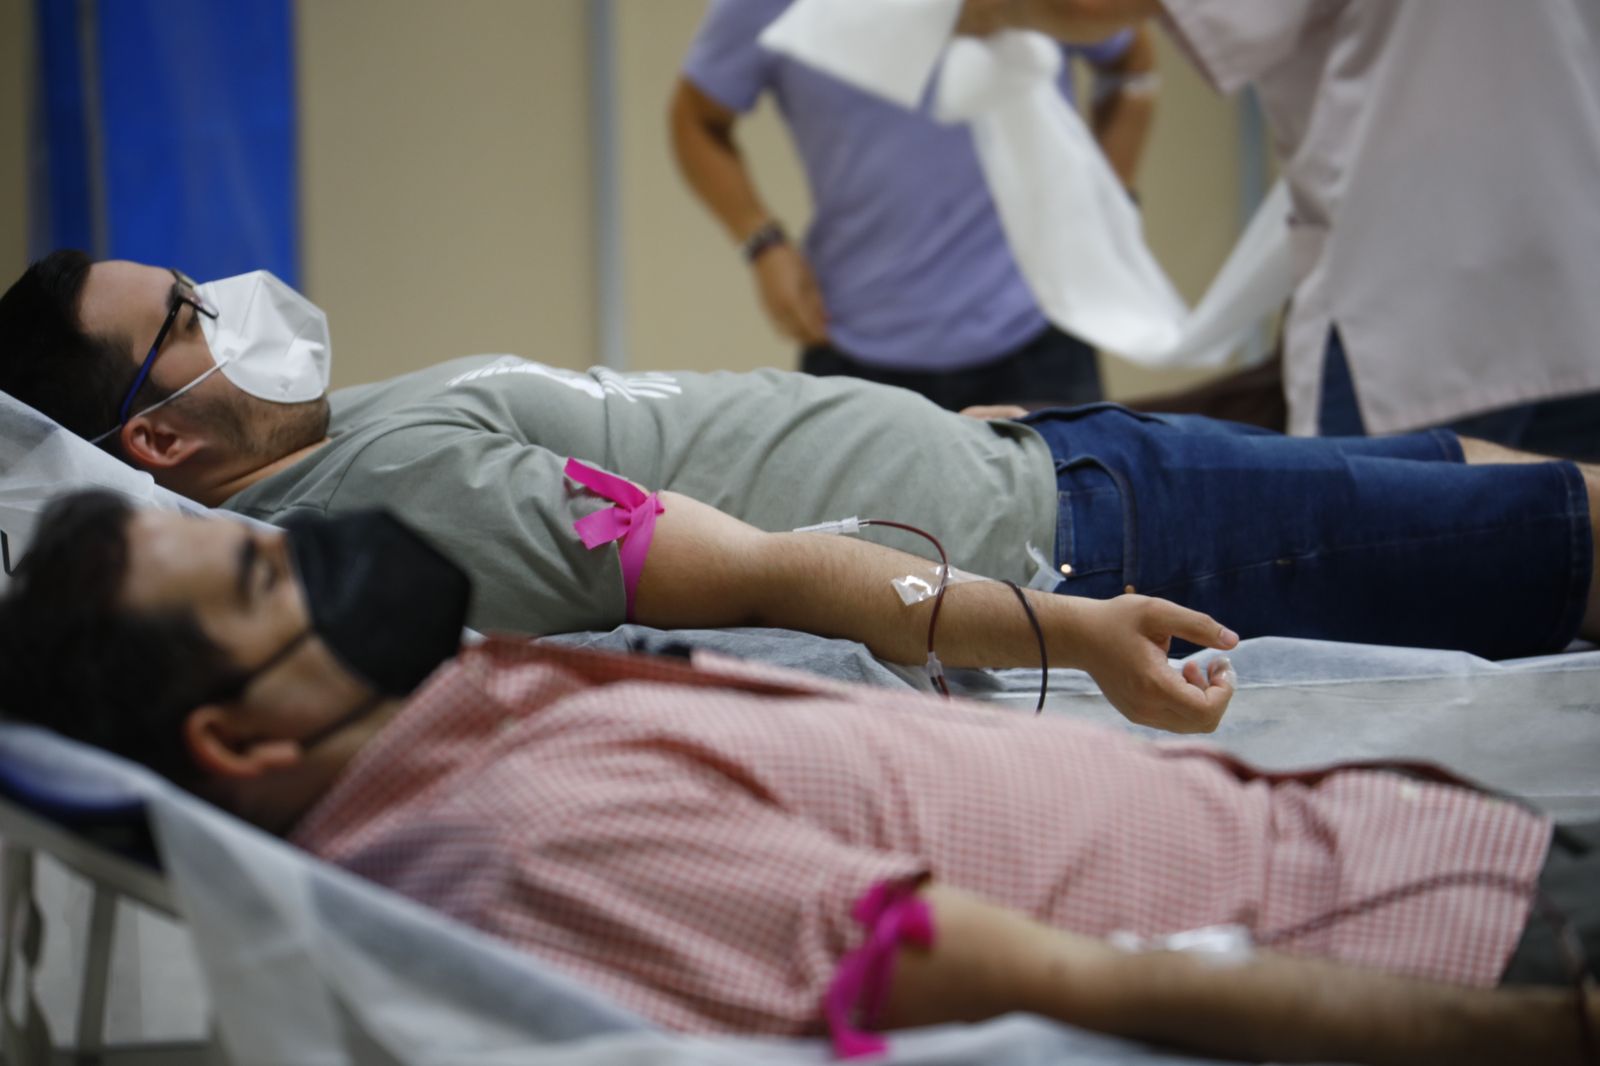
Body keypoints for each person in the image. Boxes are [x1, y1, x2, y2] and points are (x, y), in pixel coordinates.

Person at [0, 490, 1594, 1065]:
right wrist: (1535, 1031)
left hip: (1401, 844)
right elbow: (1056, 983)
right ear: (242, 740)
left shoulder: (464, 708)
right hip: (1443, 943)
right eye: (270, 583)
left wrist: (1057, 630)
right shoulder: (518, 842)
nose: (324, 561)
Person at [1, 253, 1598, 735]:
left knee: (1496, 489)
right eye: (188, 317)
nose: (228, 299)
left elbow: (693, 443)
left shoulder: (343, 439)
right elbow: (762, 571)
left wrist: (936, 428)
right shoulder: (389, 498)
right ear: (157, 435)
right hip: (1077, 539)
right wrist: (1065, 625)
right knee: (1560, 542)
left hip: (1037, 462)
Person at [955, 0, 1600, 458]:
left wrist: (972, 12)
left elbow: (1096, 7)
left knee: (1395, 590)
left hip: (1419, 318)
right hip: (1573, 293)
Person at [671, 0, 1158, 411]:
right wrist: (762, 240)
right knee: (847, 527)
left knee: (1063, 521)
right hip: (855, 339)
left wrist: (1104, 208)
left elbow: (1133, 63)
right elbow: (694, 118)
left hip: (1038, 329)